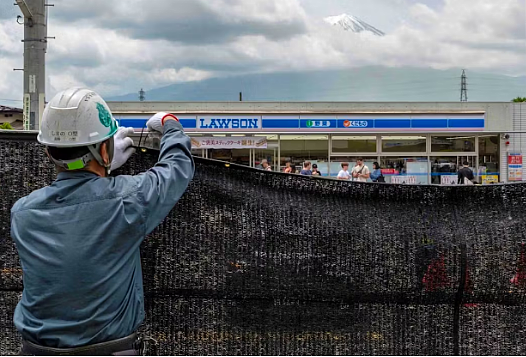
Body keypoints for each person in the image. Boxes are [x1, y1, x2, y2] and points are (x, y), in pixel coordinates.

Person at [10, 88, 195, 355]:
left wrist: (102, 170)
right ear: (104, 151)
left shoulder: (23, 213)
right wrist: (169, 124)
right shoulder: (128, 201)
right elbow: (177, 167)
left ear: (49, 152)